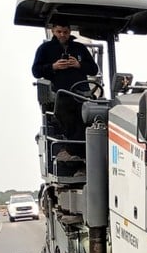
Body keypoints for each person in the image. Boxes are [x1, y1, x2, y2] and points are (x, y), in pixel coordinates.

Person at [31, 18, 99, 160]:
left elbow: (93, 69)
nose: (62, 35)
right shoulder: (45, 49)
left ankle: (81, 155)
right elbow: (36, 71)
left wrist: (79, 65)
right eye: (59, 32)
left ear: (70, 32)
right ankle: (71, 153)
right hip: (61, 94)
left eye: (65, 32)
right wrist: (53, 67)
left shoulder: (80, 48)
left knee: (89, 121)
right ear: (53, 31)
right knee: (69, 122)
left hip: (82, 94)